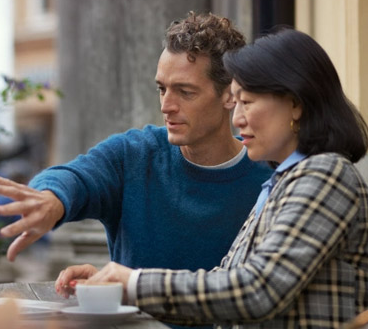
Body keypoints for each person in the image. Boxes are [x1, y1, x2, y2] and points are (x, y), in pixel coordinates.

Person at [74, 28, 368, 328]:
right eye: (236, 102)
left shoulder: (325, 174)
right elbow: (225, 283)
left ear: (295, 103)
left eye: (248, 102)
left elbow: (258, 290)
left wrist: (133, 283)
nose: (238, 119)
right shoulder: (286, 179)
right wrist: (114, 286)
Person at [0, 12, 272, 279]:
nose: (166, 105)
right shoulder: (134, 155)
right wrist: (51, 199)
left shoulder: (270, 176)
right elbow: (76, 177)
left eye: (185, 92)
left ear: (230, 95)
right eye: (162, 89)